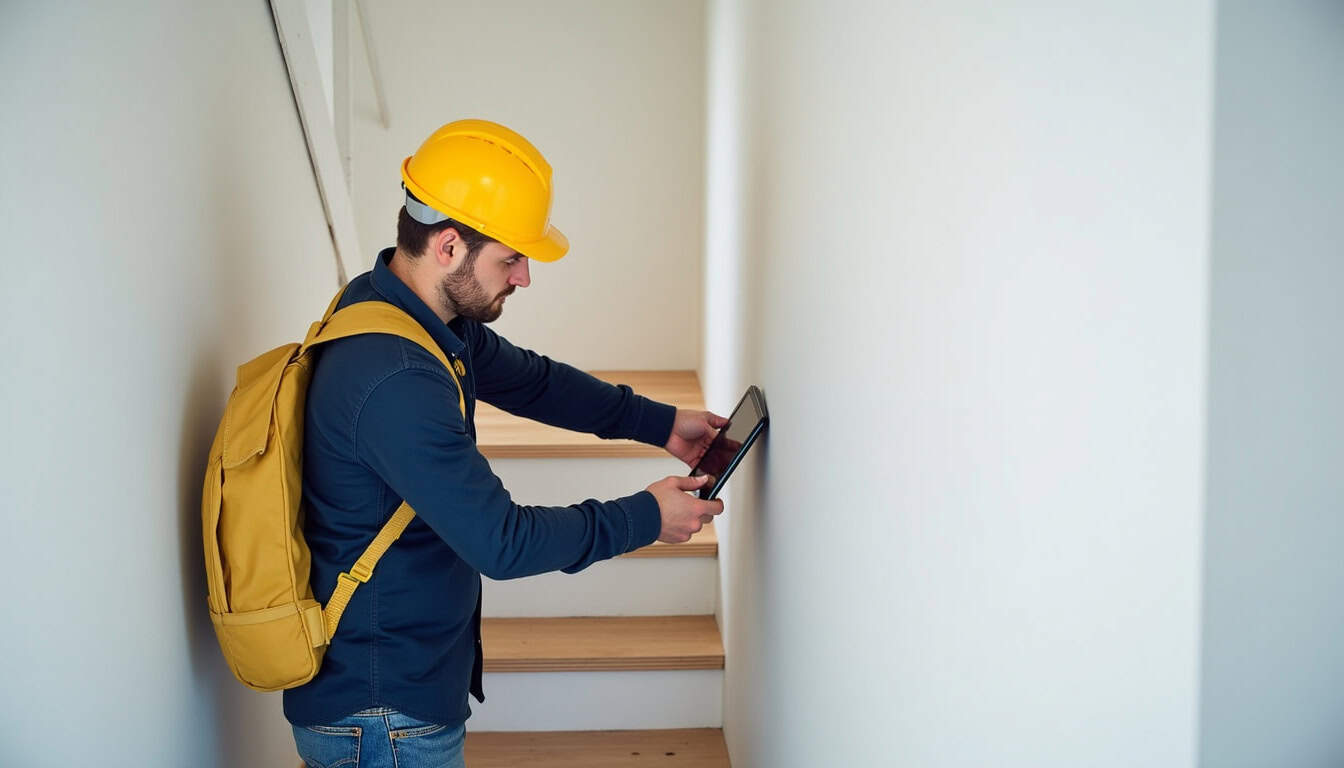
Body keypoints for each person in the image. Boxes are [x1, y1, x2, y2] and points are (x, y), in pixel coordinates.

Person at [282, 119, 727, 768]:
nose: (523, 278)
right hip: (382, 713)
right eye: (511, 258)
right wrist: (646, 517)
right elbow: (503, 542)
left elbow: (535, 384)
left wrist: (661, 423)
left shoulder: (404, 309)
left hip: (391, 685)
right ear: (449, 245)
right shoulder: (395, 377)